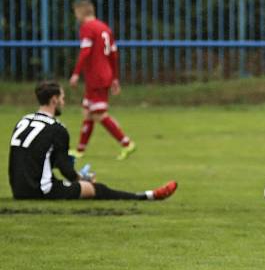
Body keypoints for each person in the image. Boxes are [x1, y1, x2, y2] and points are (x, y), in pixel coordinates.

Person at [8, 81, 177, 201]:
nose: (63, 103)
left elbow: (30, 158)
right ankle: (147, 196)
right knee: (98, 190)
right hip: (41, 190)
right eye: (62, 98)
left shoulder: (23, 121)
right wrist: (83, 179)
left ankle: (146, 195)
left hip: (18, 189)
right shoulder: (57, 128)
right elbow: (65, 169)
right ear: (54, 99)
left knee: (78, 186)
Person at [69, 0, 136, 161]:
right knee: (88, 113)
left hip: (96, 77)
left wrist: (76, 73)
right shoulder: (104, 28)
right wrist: (115, 78)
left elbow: (85, 52)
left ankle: (127, 143)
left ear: (80, 13)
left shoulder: (87, 28)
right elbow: (113, 54)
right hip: (103, 75)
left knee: (99, 114)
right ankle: (79, 150)